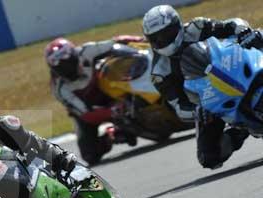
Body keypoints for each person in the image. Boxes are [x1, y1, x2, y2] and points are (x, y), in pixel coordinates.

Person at [143, 5, 261, 169]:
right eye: (155, 39)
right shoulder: (159, 72)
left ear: (177, 26)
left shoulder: (196, 27)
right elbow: (179, 107)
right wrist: (198, 108)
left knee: (257, 36)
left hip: (233, 66)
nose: (161, 41)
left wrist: (242, 30)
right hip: (211, 100)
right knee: (209, 157)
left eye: (165, 34)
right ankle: (240, 131)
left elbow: (230, 25)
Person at [44, 35, 145, 164]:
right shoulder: (59, 88)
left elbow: (115, 42)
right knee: (89, 155)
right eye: (61, 67)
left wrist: (139, 40)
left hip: (108, 88)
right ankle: (111, 135)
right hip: (89, 109)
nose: (67, 69)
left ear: (75, 55)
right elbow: (85, 114)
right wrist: (111, 111)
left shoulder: (87, 51)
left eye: (68, 63)